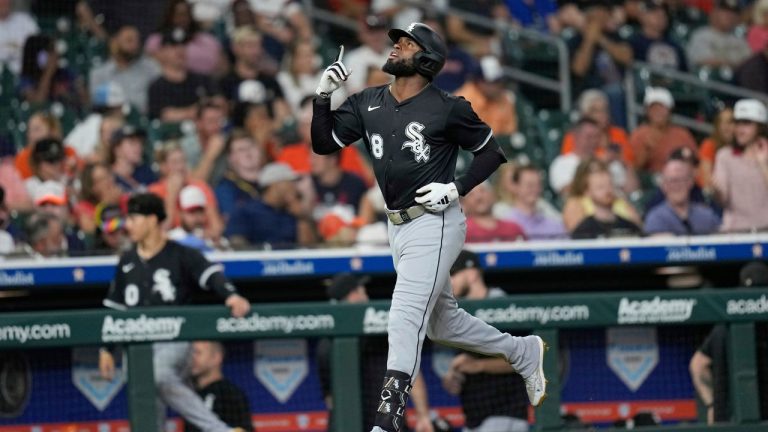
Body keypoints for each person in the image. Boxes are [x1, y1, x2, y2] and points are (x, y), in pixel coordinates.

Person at [311, 22, 546, 432]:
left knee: (403, 314)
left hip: (435, 221)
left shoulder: (448, 106)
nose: (396, 47)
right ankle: (522, 351)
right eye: (397, 42)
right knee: (442, 323)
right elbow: (324, 143)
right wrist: (322, 97)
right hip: (397, 226)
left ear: (427, 58)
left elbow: (492, 153)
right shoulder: (368, 100)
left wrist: (456, 188)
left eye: (406, 43)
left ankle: (389, 418)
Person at [99, 193, 250, 432]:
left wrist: (231, 295)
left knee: (156, 374)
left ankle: (218, 430)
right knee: (148, 402)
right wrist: (106, 349)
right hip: (137, 346)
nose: (128, 225)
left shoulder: (180, 254)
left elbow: (211, 275)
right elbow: (114, 307)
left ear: (152, 220)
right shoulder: (127, 260)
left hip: (175, 340)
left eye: (134, 218)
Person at [316, 273, 435, 432]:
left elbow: (330, 401)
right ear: (353, 295)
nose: (366, 296)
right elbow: (410, 373)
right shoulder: (381, 332)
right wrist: (423, 416)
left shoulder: (324, 344)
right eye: (362, 291)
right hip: (383, 423)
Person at [442, 250, 529, 432]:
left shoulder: (502, 305)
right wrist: (454, 376)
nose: (448, 282)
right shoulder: (459, 313)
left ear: (472, 273)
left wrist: (478, 365)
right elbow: (467, 364)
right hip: (474, 417)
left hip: (505, 412)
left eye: (453, 274)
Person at [690, 261, 768, 425]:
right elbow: (698, 364)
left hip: (725, 419)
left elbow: (698, 365)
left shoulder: (723, 328)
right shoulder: (723, 329)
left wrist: (711, 404)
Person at [225, 162, 317, 248]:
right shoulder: (246, 212)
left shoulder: (293, 212)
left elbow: (308, 249)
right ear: (276, 185)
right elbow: (237, 245)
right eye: (290, 182)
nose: (295, 187)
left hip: (295, 264)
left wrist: (301, 218)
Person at [712, 99, 768, 232]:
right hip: (736, 231)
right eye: (737, 123)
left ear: (760, 127)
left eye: (746, 123)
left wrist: (763, 164)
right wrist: (716, 190)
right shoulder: (724, 156)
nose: (740, 129)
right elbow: (722, 198)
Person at [147, 28, 217, 122]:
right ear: (162, 51)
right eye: (173, 46)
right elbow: (164, 116)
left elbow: (219, 104)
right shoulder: (157, 86)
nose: (180, 50)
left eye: (183, 45)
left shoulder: (202, 79)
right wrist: (196, 111)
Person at [89, 25, 161, 114]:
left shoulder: (150, 67)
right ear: (115, 42)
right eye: (129, 40)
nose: (135, 45)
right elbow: (98, 108)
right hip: (113, 121)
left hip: (144, 122)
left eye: (137, 41)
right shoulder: (99, 74)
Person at [185, 341, 254, 432]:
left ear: (216, 357)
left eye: (198, 353)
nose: (192, 358)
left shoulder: (230, 394)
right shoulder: (188, 394)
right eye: (190, 353)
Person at [644, 156, 721, 236]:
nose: (677, 186)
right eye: (672, 180)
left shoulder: (707, 216)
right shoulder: (655, 218)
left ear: (690, 182)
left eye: (682, 180)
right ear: (664, 185)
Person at [144, 0, 224, 76]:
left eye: (185, 15)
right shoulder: (156, 40)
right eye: (177, 15)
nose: (182, 19)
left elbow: (221, 67)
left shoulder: (207, 40)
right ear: (170, 16)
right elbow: (149, 65)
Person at [629, 87, 698, 175]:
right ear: (647, 111)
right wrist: (646, 149)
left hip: (680, 179)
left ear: (670, 111)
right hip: (651, 182)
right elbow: (633, 169)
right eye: (653, 108)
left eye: (662, 108)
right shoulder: (638, 135)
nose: (658, 112)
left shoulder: (682, 134)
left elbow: (696, 162)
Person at [571, 167, 643, 239]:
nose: (607, 190)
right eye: (600, 187)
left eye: (610, 185)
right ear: (587, 192)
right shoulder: (583, 231)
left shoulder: (629, 226)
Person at [454, 56, 518, 137]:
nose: (499, 85)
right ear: (480, 82)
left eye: (500, 81)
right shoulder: (464, 100)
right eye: (495, 82)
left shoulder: (504, 99)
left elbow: (510, 132)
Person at [501, 165, 566, 240]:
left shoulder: (553, 224)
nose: (535, 189)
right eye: (530, 185)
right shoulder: (507, 223)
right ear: (515, 187)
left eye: (538, 184)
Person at [686, 0, 751, 69]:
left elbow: (748, 65)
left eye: (734, 12)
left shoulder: (741, 42)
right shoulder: (701, 35)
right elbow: (703, 60)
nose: (730, 15)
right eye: (725, 11)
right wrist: (733, 63)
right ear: (714, 12)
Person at [629, 0, 688, 72]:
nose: (661, 14)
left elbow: (685, 74)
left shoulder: (675, 46)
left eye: (664, 12)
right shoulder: (634, 43)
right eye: (654, 11)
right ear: (642, 16)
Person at [699, 106, 734, 192]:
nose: (725, 127)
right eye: (721, 122)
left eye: (730, 122)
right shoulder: (709, 145)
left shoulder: (744, 149)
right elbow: (706, 180)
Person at [0, 0, 39, 75]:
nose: (4, 3)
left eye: (6, 0)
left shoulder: (25, 20)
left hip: (23, 75)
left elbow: (38, 46)